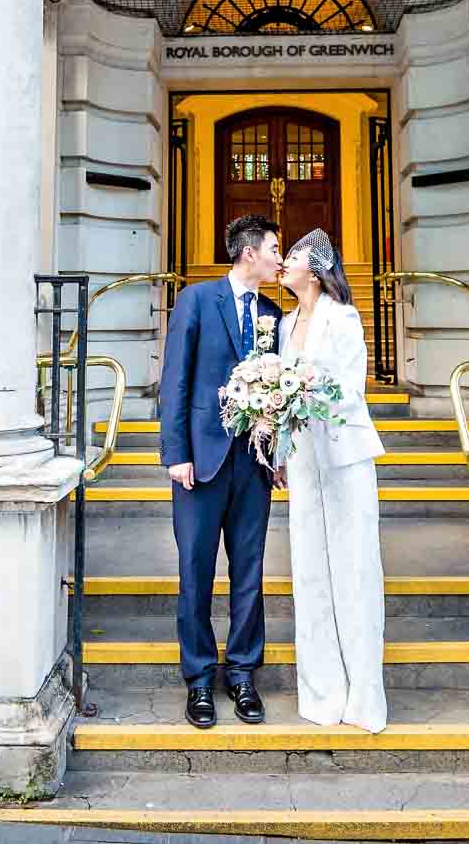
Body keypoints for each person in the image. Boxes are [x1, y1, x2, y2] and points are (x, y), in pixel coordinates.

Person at [159, 214, 284, 729]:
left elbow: (279, 391)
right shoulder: (196, 300)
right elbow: (175, 380)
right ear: (249, 252)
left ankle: (242, 674)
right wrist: (175, 453)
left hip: (252, 462)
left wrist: (277, 455)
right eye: (276, 248)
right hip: (201, 461)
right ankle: (199, 680)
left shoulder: (274, 313)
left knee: (250, 572)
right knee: (195, 572)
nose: (281, 257)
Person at [278, 227, 387, 733]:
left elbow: (349, 389)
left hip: (344, 457)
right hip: (302, 460)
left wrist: (301, 391)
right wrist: (277, 447)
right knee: (310, 573)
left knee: (354, 569)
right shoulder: (282, 324)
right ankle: (322, 692)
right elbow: (277, 395)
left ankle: (364, 697)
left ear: (315, 270)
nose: (285, 262)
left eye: (293, 255)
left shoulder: (343, 318)